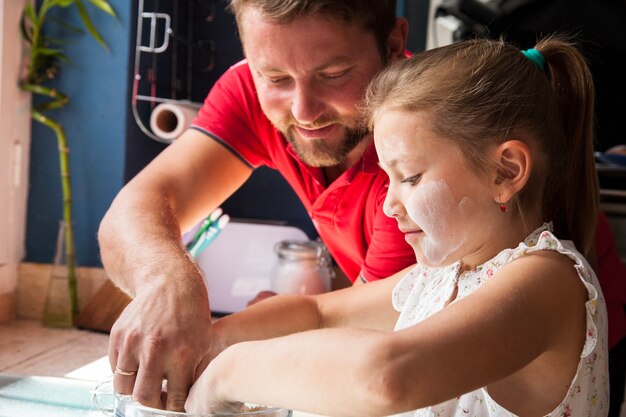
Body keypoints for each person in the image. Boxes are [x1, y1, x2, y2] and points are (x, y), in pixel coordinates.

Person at [97, 0, 624, 413]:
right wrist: (202, 341)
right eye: (276, 78)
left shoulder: (547, 282)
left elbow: (386, 373)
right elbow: (318, 312)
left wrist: (227, 373)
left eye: (410, 179)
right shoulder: (446, 273)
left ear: (507, 172)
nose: (389, 200)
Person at [98, 0, 415, 411]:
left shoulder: (420, 141)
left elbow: (376, 334)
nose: (304, 111)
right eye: (274, 77)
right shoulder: (248, 91)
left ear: (393, 44)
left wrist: (259, 333)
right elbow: (135, 208)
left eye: (333, 75)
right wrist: (168, 281)